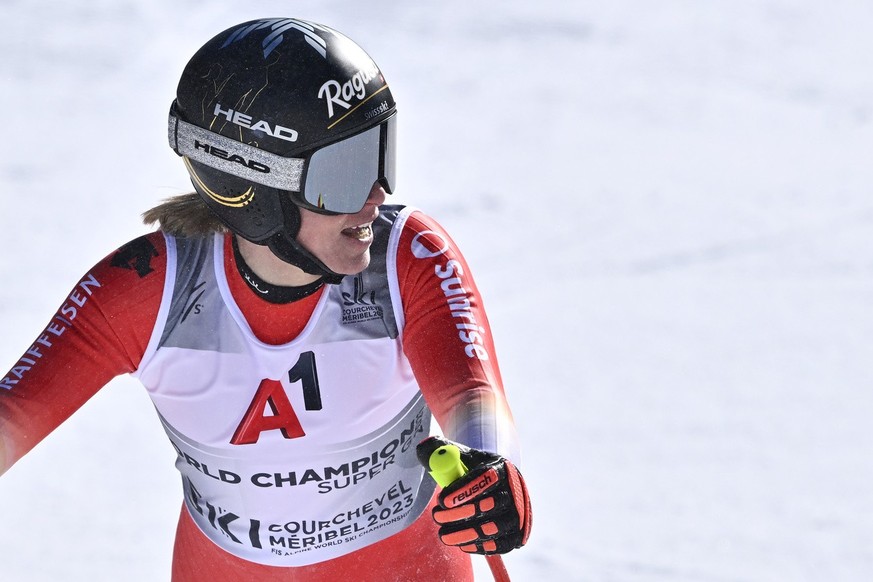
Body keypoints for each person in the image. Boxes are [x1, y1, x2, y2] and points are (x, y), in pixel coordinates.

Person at [0, 18, 531, 581]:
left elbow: (473, 395)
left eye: (380, 154)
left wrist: (493, 469)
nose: (377, 195)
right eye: (344, 173)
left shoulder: (407, 259)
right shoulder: (147, 288)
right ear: (254, 191)